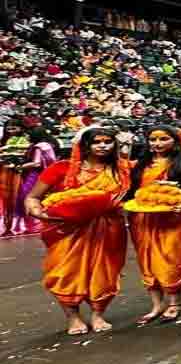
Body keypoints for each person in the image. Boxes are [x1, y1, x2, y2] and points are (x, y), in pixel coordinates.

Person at [23, 128, 131, 335]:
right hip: (67, 229)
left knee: (105, 271)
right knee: (64, 272)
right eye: (97, 142)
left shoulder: (123, 169)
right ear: (85, 145)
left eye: (108, 142)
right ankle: (73, 317)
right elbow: (32, 197)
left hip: (107, 228)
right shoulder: (61, 168)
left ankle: (98, 314)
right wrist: (38, 213)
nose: (102, 146)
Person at [127, 125, 181, 325]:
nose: (158, 144)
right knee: (147, 260)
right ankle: (156, 305)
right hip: (144, 218)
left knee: (172, 258)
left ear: (175, 141)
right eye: (153, 140)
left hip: (176, 217)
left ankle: (174, 303)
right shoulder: (139, 165)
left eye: (164, 139)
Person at [0, 123, 59, 238]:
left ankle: (31, 224)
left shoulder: (39, 146)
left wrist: (18, 167)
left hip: (34, 175)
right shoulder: (48, 144)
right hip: (45, 173)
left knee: (25, 198)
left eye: (28, 134)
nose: (27, 136)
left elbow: (36, 163)